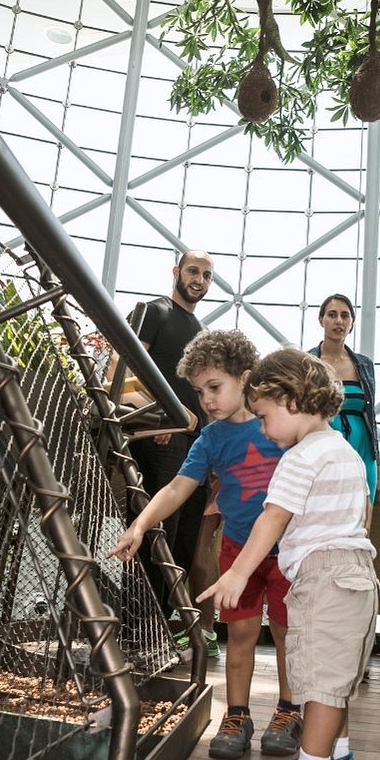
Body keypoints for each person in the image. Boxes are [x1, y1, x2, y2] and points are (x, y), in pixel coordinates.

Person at [111, 330, 303, 760]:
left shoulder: (280, 425)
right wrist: (140, 524)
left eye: (215, 387)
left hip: (288, 551)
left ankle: (288, 712)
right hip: (237, 550)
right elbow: (178, 487)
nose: (207, 401)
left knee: (288, 636)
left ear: (245, 378)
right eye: (199, 392)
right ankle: (237, 716)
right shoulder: (211, 439)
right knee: (240, 634)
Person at [201, 348, 378, 760]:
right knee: (337, 674)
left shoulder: (300, 458)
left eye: (264, 417)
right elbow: (363, 513)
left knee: (319, 683)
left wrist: (237, 574)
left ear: (291, 401)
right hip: (358, 574)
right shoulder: (344, 451)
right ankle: (339, 757)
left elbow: (272, 518)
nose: (262, 429)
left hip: (324, 577)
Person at [122, 249, 218, 654]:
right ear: (176, 271)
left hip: (196, 444)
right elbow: (121, 368)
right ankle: (135, 633)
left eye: (207, 275)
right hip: (161, 437)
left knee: (182, 542)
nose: (199, 280)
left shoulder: (200, 330)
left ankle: (158, 632)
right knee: (155, 534)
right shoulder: (152, 311)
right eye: (193, 271)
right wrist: (158, 417)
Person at [309, 293, 380, 506]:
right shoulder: (307, 362)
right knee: (326, 509)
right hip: (323, 449)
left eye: (345, 315)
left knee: (364, 510)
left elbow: (371, 414)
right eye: (332, 315)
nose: (338, 321)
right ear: (321, 320)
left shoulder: (364, 364)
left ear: (352, 323)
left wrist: (378, 462)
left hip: (363, 448)